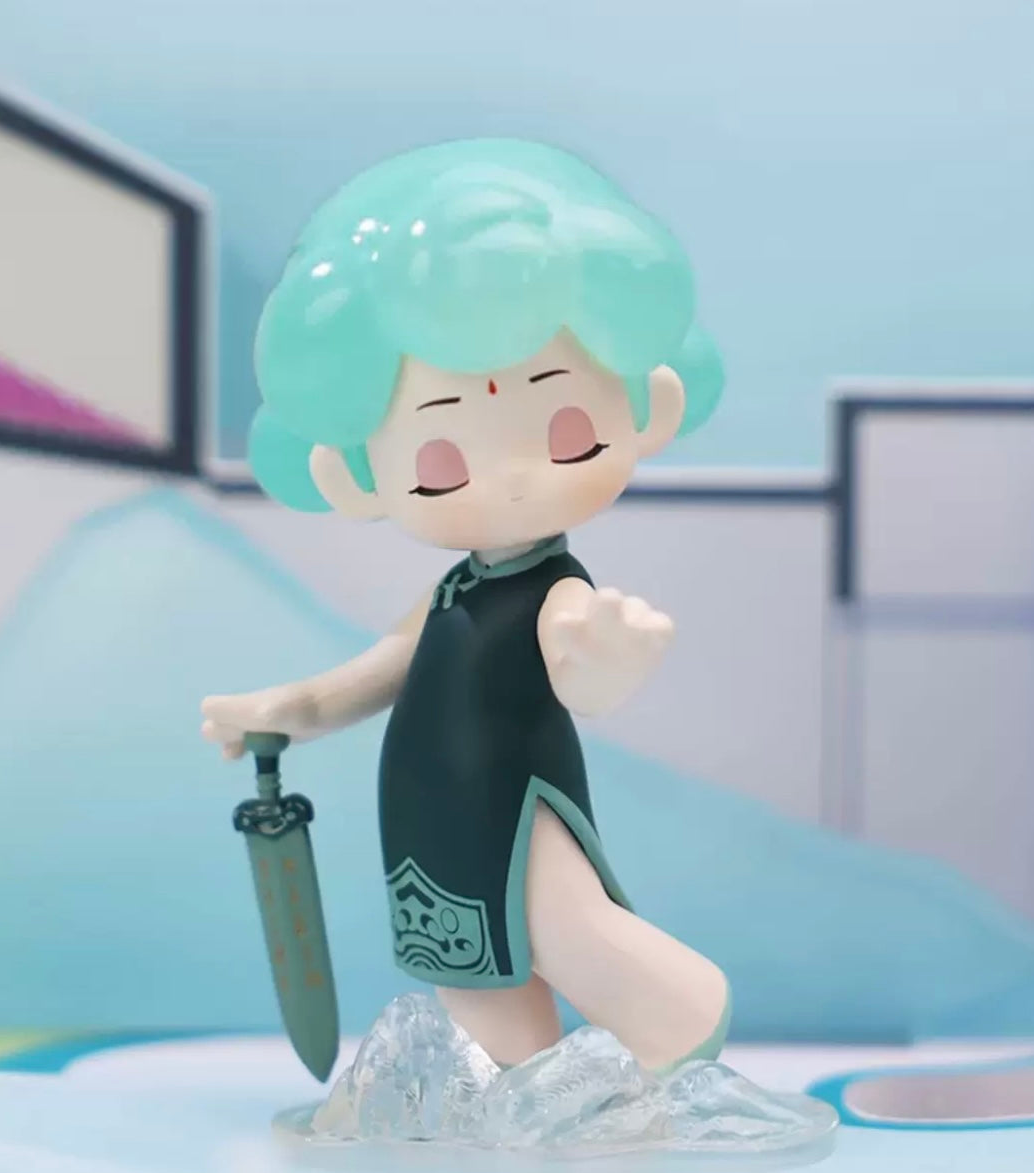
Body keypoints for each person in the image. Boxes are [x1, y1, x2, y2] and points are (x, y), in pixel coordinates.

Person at [202, 139, 730, 1072]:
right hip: (431, 814)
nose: (513, 476)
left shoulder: (555, 591)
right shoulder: (454, 590)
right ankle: (516, 1096)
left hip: (514, 806)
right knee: (479, 981)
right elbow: (380, 669)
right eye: (443, 459)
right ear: (355, 474)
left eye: (566, 429)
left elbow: (578, 664)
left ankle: (683, 1027)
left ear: (646, 406)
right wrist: (285, 708)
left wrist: (604, 663)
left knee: (570, 933)